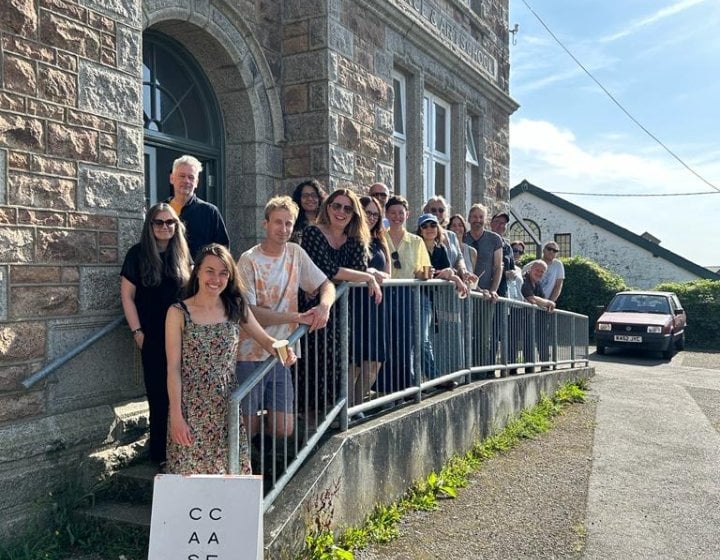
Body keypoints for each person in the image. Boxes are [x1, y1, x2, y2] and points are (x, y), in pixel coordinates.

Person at [165, 244, 289, 475]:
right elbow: (173, 368)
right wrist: (176, 416)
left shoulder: (236, 306)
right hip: (190, 407)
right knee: (189, 478)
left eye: (224, 273)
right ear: (198, 271)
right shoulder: (178, 312)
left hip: (226, 406)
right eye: (210, 271)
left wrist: (283, 350)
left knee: (229, 477)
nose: (216, 278)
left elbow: (266, 340)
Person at [236, 196, 335, 440]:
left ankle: (262, 462)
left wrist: (324, 307)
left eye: (288, 224)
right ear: (265, 224)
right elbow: (249, 313)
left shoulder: (295, 253)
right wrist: (298, 317)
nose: (283, 229)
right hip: (251, 351)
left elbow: (326, 284)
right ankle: (247, 467)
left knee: (283, 428)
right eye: (278, 223)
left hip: (283, 355)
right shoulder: (249, 260)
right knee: (247, 427)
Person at [299, 189, 383, 416]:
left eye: (348, 208)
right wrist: (366, 277)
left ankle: (333, 415)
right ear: (327, 207)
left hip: (343, 310)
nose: (341, 212)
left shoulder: (356, 239)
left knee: (338, 364)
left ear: (354, 213)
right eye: (336, 205)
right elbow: (325, 270)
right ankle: (309, 417)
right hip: (313, 307)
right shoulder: (312, 233)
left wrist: (362, 273)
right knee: (312, 363)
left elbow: (356, 268)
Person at [120, 203, 192, 466]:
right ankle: (161, 455)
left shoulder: (183, 256)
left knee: (184, 394)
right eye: (159, 223)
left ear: (177, 226)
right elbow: (127, 297)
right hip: (152, 336)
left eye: (170, 222)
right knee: (159, 396)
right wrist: (137, 331)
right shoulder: (137, 255)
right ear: (150, 226)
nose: (165, 227)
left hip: (183, 336)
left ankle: (183, 449)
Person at [377, 195, 431, 392]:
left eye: (401, 213)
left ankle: (405, 386)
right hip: (383, 295)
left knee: (405, 342)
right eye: (393, 212)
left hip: (406, 296)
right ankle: (385, 387)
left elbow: (421, 268)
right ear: (386, 214)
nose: (397, 216)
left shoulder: (416, 241)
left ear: (407, 214)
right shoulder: (379, 236)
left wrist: (424, 274)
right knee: (385, 341)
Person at [416, 213, 468, 384]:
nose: (429, 229)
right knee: (421, 339)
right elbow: (417, 271)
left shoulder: (440, 249)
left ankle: (422, 380)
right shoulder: (416, 246)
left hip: (428, 299)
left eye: (433, 225)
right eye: (425, 226)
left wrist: (454, 276)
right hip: (412, 296)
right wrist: (446, 274)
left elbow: (448, 270)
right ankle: (431, 379)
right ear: (420, 230)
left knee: (422, 339)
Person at [355, 195, 391, 407]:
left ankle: (358, 405)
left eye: (375, 214)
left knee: (375, 360)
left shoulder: (380, 240)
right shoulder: (351, 238)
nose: (370, 217)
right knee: (355, 360)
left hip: (376, 303)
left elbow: (389, 275)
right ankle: (348, 407)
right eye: (367, 212)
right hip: (355, 303)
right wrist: (366, 273)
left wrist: (374, 273)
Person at [166, 155, 229, 261]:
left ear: (196, 183)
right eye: (182, 176)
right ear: (172, 178)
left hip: (198, 276)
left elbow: (222, 251)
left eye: (191, 177)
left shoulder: (210, 213)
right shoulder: (160, 211)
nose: (186, 181)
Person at [465, 203, 503, 370]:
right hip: (466, 293)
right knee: (466, 332)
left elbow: (498, 266)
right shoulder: (463, 237)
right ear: (469, 218)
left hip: (486, 294)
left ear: (485, 220)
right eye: (474, 217)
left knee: (483, 334)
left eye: (481, 217)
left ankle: (482, 370)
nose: (477, 220)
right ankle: (466, 369)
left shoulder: (494, 239)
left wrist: (493, 290)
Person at [423, 196, 475, 285]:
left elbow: (459, 257)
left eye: (441, 210)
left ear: (445, 213)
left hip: (452, 289)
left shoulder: (452, 235)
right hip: (432, 287)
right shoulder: (423, 234)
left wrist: (463, 270)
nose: (437, 213)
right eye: (433, 210)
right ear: (427, 211)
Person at [521, 259, 556, 372]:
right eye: (537, 270)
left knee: (542, 339)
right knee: (528, 341)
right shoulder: (524, 280)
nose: (539, 273)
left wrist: (546, 305)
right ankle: (528, 368)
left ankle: (545, 365)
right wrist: (548, 303)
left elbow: (541, 298)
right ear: (531, 269)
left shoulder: (537, 283)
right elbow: (531, 298)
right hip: (522, 317)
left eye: (542, 272)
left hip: (534, 317)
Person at [290, 179, 327, 245]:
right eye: (305, 196)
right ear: (299, 199)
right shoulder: (293, 223)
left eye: (313, 195)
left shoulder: (327, 222)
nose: (310, 199)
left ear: (319, 198)